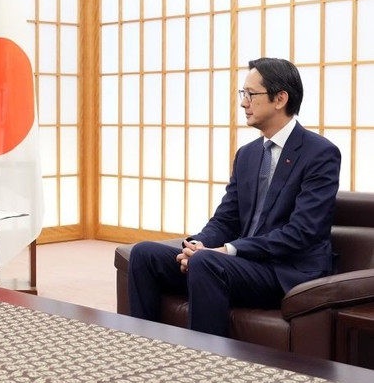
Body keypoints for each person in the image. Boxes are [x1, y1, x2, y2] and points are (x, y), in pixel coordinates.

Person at [128, 57, 341, 336]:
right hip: (241, 265)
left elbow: (301, 233)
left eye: (250, 94)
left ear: (280, 99)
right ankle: (143, 350)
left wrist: (228, 251)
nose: (243, 103)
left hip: (283, 272)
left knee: (207, 262)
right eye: (243, 94)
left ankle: (206, 365)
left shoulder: (320, 153)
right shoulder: (248, 155)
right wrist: (194, 245)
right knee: (145, 254)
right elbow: (225, 219)